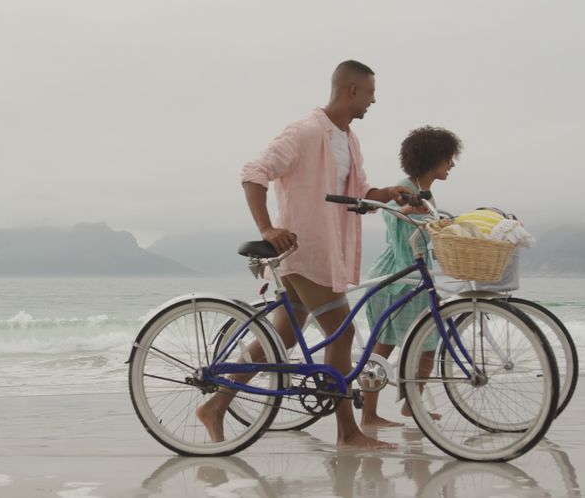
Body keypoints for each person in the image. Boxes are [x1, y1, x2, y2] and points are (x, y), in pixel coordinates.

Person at [196, 60, 414, 450]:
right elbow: (254, 172)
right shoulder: (307, 130)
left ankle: (215, 406)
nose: (374, 100)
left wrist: (387, 194)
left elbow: (358, 191)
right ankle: (348, 433)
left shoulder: (347, 138)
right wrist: (267, 228)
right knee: (341, 332)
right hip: (303, 250)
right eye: (370, 93)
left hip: (326, 252)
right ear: (351, 91)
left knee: (278, 340)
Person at [359, 126, 462, 427]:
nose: (452, 165)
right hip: (396, 277)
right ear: (433, 159)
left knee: (428, 345)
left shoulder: (425, 189)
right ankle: (368, 415)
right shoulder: (404, 187)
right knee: (384, 345)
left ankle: (411, 406)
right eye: (448, 159)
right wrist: (409, 211)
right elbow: (396, 223)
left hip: (415, 275)